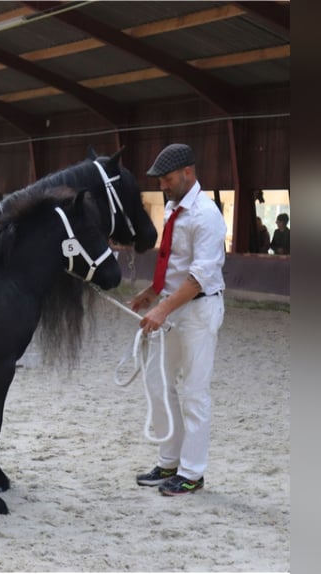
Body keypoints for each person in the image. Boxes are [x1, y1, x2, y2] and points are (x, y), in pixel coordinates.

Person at [129, 143, 226, 496]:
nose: (163, 186)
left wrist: (162, 308)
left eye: (167, 179)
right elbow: (172, 261)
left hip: (198, 312)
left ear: (188, 172)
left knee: (194, 394)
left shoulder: (206, 215)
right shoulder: (174, 208)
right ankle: (169, 461)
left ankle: (192, 472)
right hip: (171, 309)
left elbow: (199, 276)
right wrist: (152, 295)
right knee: (159, 386)